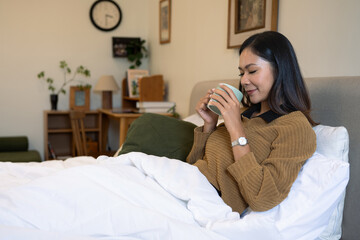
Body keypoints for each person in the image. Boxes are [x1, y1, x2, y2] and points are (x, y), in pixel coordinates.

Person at [186, 31, 317, 214]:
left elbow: (262, 198)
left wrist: (237, 131)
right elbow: (193, 164)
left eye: (252, 71)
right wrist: (209, 124)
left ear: (280, 69)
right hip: (185, 184)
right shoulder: (244, 114)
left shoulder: (295, 128)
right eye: (241, 73)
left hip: (205, 205)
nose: (244, 80)